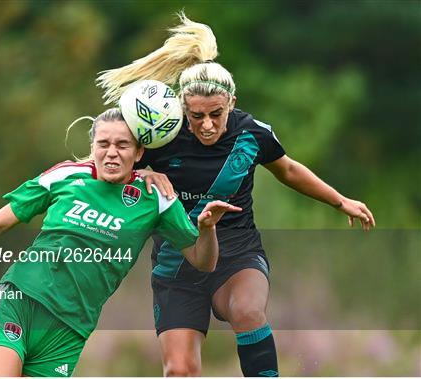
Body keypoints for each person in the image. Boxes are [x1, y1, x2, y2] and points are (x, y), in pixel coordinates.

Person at [97, 14, 375, 377]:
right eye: (197, 116)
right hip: (177, 262)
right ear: (183, 107)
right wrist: (141, 173)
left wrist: (340, 200)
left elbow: (288, 169)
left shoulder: (252, 134)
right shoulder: (160, 137)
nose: (207, 124)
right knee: (180, 370)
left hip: (237, 253)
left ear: (232, 103)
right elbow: (107, 167)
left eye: (216, 113)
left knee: (248, 312)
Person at [0, 108, 241, 377]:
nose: (111, 153)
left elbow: (203, 261)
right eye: (103, 144)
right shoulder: (65, 176)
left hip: (69, 330)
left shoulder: (156, 199)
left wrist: (207, 228)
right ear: (92, 146)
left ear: (139, 152)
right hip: (20, 301)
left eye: (122, 145)